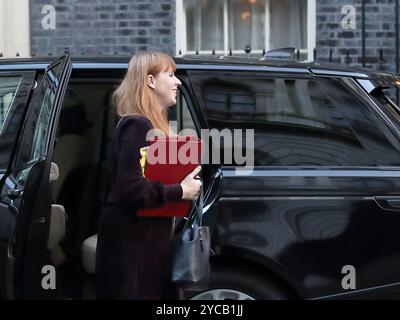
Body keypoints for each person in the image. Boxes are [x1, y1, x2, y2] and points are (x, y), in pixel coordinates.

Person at [95, 51, 202, 300]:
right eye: (171, 74)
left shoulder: (146, 125)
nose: (178, 82)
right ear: (151, 81)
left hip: (140, 235)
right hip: (132, 238)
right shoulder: (138, 125)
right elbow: (130, 187)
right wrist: (181, 190)